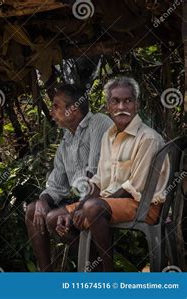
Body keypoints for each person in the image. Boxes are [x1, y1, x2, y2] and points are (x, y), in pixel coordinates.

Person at [56, 76, 169, 271]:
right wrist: (77, 209)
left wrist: (87, 207)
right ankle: (96, 270)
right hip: (109, 203)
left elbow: (134, 187)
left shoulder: (148, 138)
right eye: (115, 101)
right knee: (54, 218)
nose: (121, 106)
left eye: (128, 100)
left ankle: (110, 277)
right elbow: (98, 181)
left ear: (137, 105)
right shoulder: (109, 136)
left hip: (144, 205)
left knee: (92, 207)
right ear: (108, 106)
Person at [25, 84, 112, 271]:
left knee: (54, 218)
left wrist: (76, 209)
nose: (51, 112)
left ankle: (97, 269)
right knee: (34, 211)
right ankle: (46, 277)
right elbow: (56, 185)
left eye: (56, 106)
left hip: (105, 195)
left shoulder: (97, 122)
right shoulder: (67, 140)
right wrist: (42, 201)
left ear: (73, 109)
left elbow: (95, 173)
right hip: (84, 198)